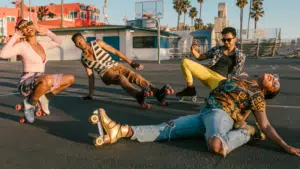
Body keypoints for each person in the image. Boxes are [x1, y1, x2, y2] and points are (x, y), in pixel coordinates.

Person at [91, 73, 300, 157]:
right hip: (205, 114)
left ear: (268, 91)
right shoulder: (242, 78)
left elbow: (265, 125)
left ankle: (246, 134)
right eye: (275, 78)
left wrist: (285, 146)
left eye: (275, 83)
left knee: (217, 146)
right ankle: (120, 131)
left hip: (220, 115)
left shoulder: (258, 96)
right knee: (166, 129)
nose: (274, 78)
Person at [71, 33, 173, 108]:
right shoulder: (84, 60)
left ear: (84, 39)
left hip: (117, 66)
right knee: (121, 78)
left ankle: (158, 93)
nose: (80, 44)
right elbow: (90, 77)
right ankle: (138, 96)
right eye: (77, 43)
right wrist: (90, 95)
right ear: (76, 45)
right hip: (106, 73)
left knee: (136, 77)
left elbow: (115, 51)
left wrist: (131, 63)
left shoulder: (97, 43)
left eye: (80, 41)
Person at [0, 19, 75, 123]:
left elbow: (59, 42)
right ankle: (29, 104)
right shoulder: (22, 46)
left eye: (29, 24)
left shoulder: (42, 44)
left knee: (70, 79)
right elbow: (2, 54)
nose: (28, 27)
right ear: (23, 32)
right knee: (48, 79)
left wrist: (47, 32)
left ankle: (44, 97)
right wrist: (15, 36)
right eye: (24, 27)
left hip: (41, 81)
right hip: (26, 83)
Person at [176, 27, 247, 100]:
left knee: (219, 99)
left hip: (220, 80)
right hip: (207, 72)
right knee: (185, 62)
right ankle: (190, 89)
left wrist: (241, 78)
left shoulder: (240, 56)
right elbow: (200, 57)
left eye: (228, 39)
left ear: (235, 39)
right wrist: (193, 50)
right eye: (224, 40)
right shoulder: (217, 49)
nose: (226, 42)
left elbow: (235, 75)